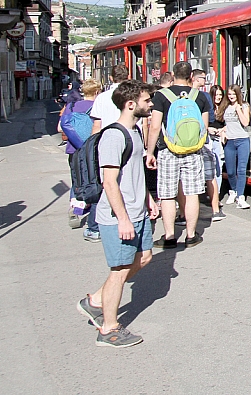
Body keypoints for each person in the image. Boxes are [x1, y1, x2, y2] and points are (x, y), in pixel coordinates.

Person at [76, 80, 158, 348]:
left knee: (144, 257)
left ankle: (95, 301)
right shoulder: (114, 136)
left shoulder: (134, 130)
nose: (151, 104)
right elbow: (109, 182)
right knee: (119, 271)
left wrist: (148, 199)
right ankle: (108, 329)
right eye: (147, 101)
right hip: (118, 216)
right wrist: (122, 218)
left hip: (138, 211)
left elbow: (134, 172)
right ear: (131, 104)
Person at [146, 61, 210, 249]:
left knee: (167, 194)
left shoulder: (160, 96)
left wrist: (150, 152)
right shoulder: (200, 97)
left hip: (168, 150)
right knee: (191, 193)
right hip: (193, 150)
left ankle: (170, 236)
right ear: (191, 77)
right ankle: (191, 235)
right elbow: (203, 127)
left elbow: (155, 127)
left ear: (173, 75)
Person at [86, 65, 130, 241]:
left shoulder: (102, 98)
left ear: (111, 78)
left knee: (106, 184)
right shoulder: (132, 96)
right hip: (129, 144)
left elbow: (97, 126)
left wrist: (92, 149)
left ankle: (95, 227)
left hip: (107, 144)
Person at [62, 79, 102, 231]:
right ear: (97, 92)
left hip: (74, 150)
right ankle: (93, 213)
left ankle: (76, 208)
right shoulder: (98, 107)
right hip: (92, 150)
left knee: (77, 179)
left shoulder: (71, 106)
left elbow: (61, 127)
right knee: (93, 180)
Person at [191, 70, 224, 222]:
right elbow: (209, 118)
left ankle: (187, 213)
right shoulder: (203, 97)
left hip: (182, 144)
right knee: (210, 176)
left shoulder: (177, 96)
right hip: (203, 142)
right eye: (204, 78)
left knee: (188, 179)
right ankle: (216, 210)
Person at [219, 84, 251, 209]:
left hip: (242, 139)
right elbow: (225, 123)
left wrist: (238, 109)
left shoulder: (244, 106)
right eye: (229, 94)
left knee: (241, 169)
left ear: (238, 94)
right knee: (231, 171)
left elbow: (245, 122)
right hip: (230, 141)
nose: (231, 96)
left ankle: (241, 196)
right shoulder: (226, 106)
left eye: (233, 94)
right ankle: (233, 191)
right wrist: (223, 131)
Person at [206, 84, 227, 221]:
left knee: (218, 168)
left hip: (219, 140)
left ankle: (216, 196)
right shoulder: (207, 107)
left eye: (220, 95)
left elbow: (229, 122)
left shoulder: (224, 108)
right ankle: (211, 196)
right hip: (209, 139)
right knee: (210, 169)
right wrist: (209, 129)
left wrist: (223, 129)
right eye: (216, 95)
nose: (218, 98)